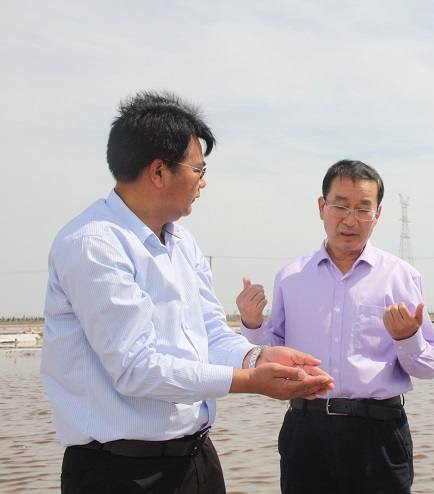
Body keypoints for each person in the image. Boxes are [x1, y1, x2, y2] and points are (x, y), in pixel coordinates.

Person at [41, 90, 333, 494]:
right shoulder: (95, 244)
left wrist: (258, 356)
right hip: (121, 471)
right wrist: (250, 380)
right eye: (198, 169)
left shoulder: (182, 242)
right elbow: (136, 369)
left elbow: (210, 332)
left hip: (196, 457)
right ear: (159, 172)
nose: (203, 181)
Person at [237, 159, 434, 493]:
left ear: (378, 214)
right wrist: (252, 322)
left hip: (378, 433)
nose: (350, 220)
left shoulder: (400, 277)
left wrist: (407, 337)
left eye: (363, 209)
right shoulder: (291, 277)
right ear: (322, 207)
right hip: (306, 430)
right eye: (340, 206)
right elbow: (269, 356)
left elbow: (429, 367)